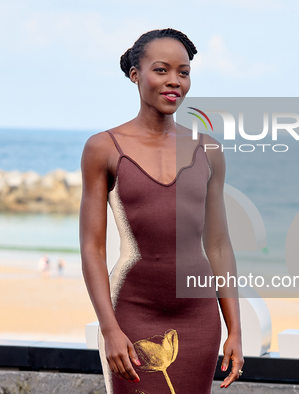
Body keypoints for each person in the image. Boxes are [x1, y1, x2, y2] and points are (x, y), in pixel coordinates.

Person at [79, 28, 244, 393]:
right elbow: (92, 247)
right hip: (132, 312)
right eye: (161, 70)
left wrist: (234, 329)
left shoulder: (208, 150)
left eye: (183, 73)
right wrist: (109, 329)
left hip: (198, 317)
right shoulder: (104, 148)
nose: (174, 82)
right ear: (136, 75)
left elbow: (217, 246)